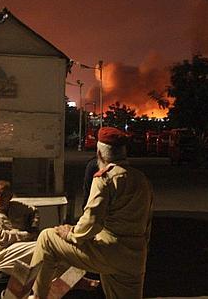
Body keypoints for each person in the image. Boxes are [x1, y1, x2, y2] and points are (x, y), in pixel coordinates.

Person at [30, 127, 154, 299]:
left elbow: (92, 223)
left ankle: (37, 297)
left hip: (108, 251)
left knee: (47, 239)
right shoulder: (142, 179)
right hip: (135, 257)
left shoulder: (105, 179)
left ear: (100, 154)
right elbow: (147, 223)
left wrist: (71, 234)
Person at [0, 180, 39, 276]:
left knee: (47, 252)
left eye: (3, 195)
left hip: (19, 251)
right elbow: (1, 237)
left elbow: (34, 211)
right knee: (41, 246)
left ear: (10, 196)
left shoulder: (17, 207)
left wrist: (33, 226)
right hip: (1, 257)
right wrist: (27, 235)